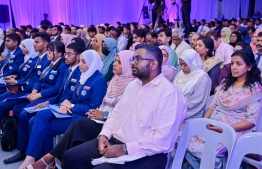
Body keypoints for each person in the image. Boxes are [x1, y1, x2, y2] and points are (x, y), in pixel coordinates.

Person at [52, 43, 187, 169]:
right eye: (133, 58)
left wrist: (125, 148)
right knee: (71, 157)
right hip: (115, 140)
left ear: (153, 64)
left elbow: (160, 140)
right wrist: (103, 136)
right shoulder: (133, 85)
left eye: (138, 59)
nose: (132, 62)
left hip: (148, 153)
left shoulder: (169, 94)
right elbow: (115, 115)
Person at [28, 50, 136, 169]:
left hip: (109, 125)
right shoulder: (113, 81)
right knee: (41, 117)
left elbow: (120, 113)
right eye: (115, 61)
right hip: (98, 120)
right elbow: (98, 106)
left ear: (129, 66)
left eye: (119, 62)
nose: (114, 64)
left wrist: (101, 114)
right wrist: (67, 105)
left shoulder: (130, 86)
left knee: (76, 124)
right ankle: (45, 160)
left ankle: (46, 160)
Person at [185, 49, 262, 169]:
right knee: (186, 141)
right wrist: (204, 122)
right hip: (214, 123)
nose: (234, 67)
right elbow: (213, 105)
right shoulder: (227, 82)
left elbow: (250, 120)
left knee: (209, 150)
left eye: (239, 64)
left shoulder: (254, 90)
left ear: (249, 67)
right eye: (232, 63)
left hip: (235, 128)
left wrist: (225, 128)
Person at [173, 49, 211, 130]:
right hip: (175, 109)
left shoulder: (202, 77)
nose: (182, 68)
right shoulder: (180, 74)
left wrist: (178, 110)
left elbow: (197, 101)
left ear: (193, 63)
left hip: (191, 113)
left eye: (185, 64)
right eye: (180, 64)